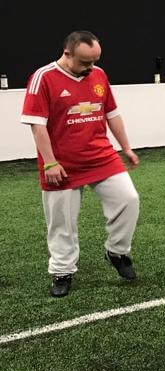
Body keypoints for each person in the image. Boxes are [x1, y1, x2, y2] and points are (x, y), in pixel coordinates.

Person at [21, 31, 141, 297]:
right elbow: (37, 125)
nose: (91, 67)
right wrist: (50, 163)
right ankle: (62, 271)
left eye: (95, 61)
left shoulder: (99, 74)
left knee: (129, 200)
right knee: (61, 222)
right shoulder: (43, 77)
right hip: (61, 164)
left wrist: (126, 148)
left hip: (101, 156)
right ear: (67, 54)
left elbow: (112, 114)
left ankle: (117, 252)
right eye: (85, 62)